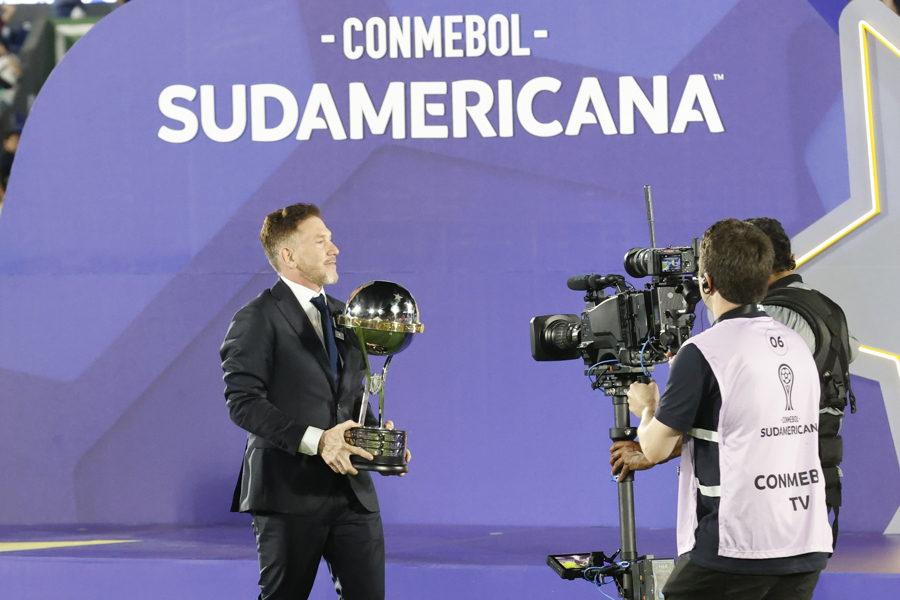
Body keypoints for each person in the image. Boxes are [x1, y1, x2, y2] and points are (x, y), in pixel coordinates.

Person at [623, 219, 832, 600]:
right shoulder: (793, 342)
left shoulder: (704, 351)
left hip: (738, 546)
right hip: (805, 540)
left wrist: (647, 407)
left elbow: (653, 448)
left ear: (707, 283)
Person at [220, 203, 409, 600]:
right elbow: (242, 402)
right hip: (288, 492)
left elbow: (353, 397)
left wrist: (375, 441)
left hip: (352, 493)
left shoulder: (347, 316)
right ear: (287, 254)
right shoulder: (256, 317)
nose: (334, 248)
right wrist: (319, 441)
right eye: (320, 241)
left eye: (331, 239)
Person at [745, 217, 857, 545]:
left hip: (777, 482)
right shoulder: (828, 307)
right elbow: (850, 350)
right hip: (819, 476)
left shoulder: (771, 315)